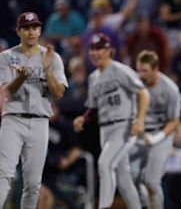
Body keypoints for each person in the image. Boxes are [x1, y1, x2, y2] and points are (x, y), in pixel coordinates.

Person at [73, 33, 149, 209]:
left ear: (110, 51)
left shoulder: (120, 70)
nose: (95, 52)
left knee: (104, 164)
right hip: (105, 130)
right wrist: (83, 118)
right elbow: (93, 107)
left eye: (100, 48)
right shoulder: (93, 78)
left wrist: (140, 120)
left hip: (124, 125)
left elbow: (143, 93)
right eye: (93, 48)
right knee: (123, 178)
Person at [0, 12, 68, 209]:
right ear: (18, 31)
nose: (31, 32)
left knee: (33, 183)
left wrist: (47, 70)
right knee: (4, 174)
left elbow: (59, 93)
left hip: (40, 121)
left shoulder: (52, 57)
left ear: (39, 30)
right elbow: (6, 91)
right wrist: (20, 78)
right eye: (26, 28)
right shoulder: (6, 57)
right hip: (13, 119)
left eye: (34, 28)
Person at [131, 50, 181, 209]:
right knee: (131, 177)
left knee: (152, 182)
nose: (141, 74)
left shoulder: (169, 89)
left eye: (145, 71)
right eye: (139, 70)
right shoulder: (134, 85)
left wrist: (157, 138)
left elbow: (174, 121)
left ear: (155, 69)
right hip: (139, 136)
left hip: (161, 136)